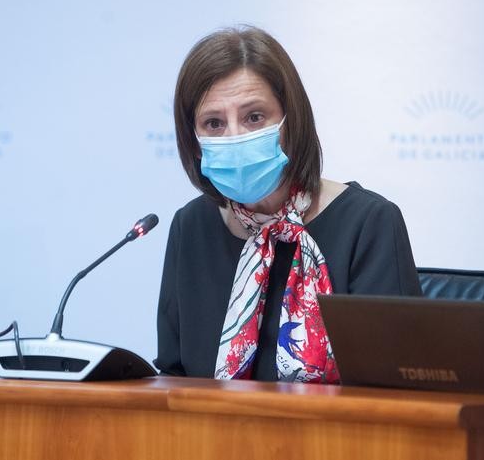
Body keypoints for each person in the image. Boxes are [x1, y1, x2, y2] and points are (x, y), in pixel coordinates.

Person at [154, 25, 422, 384]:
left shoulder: (368, 223)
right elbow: (173, 378)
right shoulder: (191, 227)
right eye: (213, 123)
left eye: (254, 117)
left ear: (290, 120)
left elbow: (400, 390)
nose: (235, 137)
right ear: (194, 141)